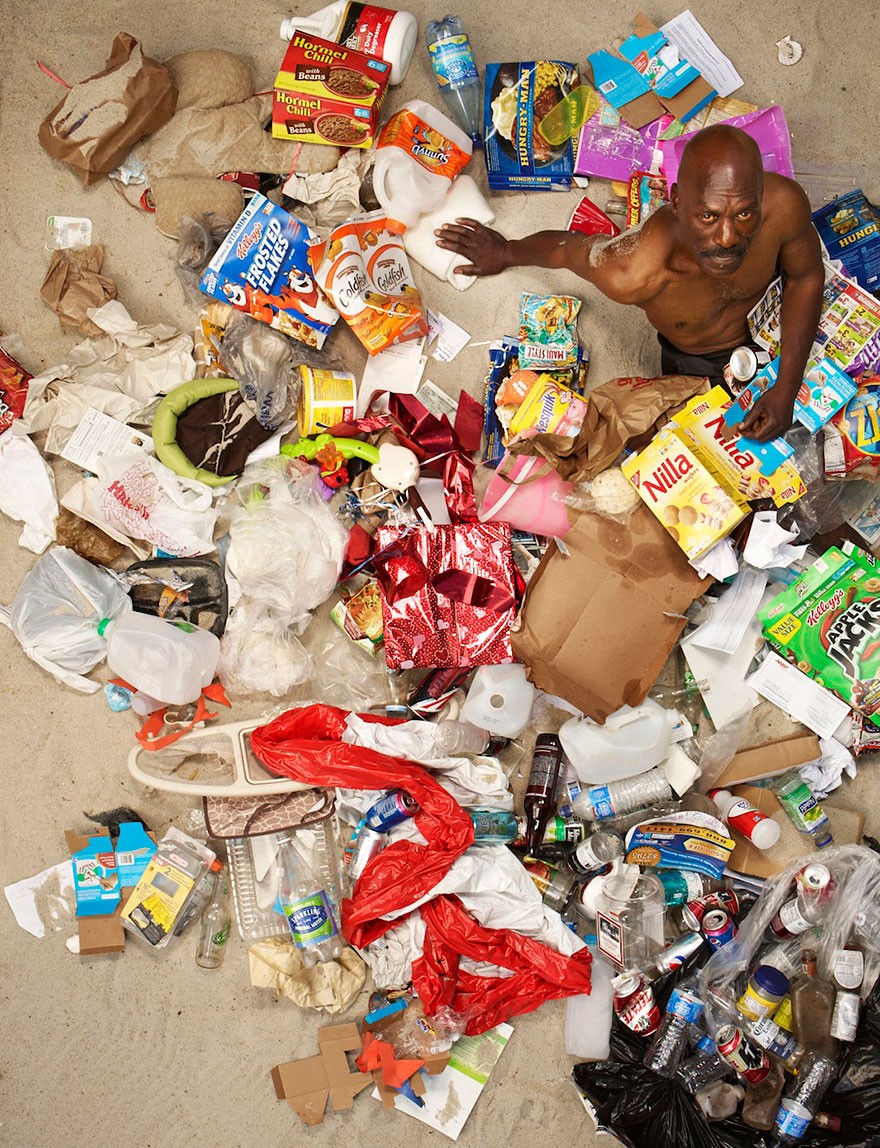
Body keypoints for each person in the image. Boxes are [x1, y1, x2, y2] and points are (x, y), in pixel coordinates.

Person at [435, 125, 825, 441]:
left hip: (778, 322)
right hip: (699, 362)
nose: (727, 238)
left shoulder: (784, 205)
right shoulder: (632, 271)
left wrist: (786, 388)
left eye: (744, 214)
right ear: (676, 201)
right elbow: (568, 250)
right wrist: (505, 252)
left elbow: (805, 277)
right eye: (708, 216)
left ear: (760, 196)